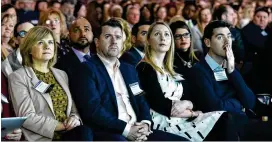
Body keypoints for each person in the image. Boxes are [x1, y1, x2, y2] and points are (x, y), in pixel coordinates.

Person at [70, 18, 188, 141]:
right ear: (97, 42)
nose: (114, 41)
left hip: (138, 130)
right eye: (108, 36)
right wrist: (126, 130)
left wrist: (146, 123)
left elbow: (140, 99)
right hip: (110, 132)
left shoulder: (129, 69)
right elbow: (93, 110)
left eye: (118, 37)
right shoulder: (86, 69)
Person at [136, 21, 238, 141]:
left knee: (225, 118)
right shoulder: (145, 67)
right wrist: (193, 113)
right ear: (148, 40)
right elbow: (160, 104)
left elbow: (191, 96)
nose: (163, 38)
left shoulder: (170, 68)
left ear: (171, 41)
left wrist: (188, 104)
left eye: (167, 34)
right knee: (223, 120)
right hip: (163, 121)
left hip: (181, 117)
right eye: (157, 34)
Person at [8, 26, 93, 141]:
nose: (47, 46)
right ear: (28, 49)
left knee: (85, 131)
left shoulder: (62, 74)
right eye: (40, 42)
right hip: (44, 137)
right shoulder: (18, 77)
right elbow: (27, 117)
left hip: (69, 133)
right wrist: (61, 126)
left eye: (50, 42)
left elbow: (73, 109)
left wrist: (74, 118)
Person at [56, 17, 93, 84]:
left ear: (92, 34)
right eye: (77, 30)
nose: (83, 34)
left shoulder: (99, 61)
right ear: (69, 35)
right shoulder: (61, 64)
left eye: (86, 29)